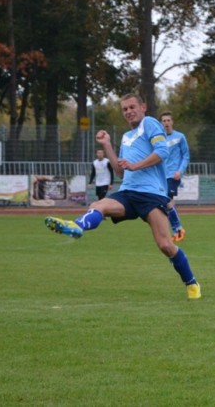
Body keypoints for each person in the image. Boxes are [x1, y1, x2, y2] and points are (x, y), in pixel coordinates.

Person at [44, 94, 201, 300]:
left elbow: (162, 152)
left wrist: (136, 165)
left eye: (132, 107)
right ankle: (76, 227)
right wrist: (108, 145)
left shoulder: (150, 123)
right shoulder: (127, 137)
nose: (128, 111)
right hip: (128, 193)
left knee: (165, 245)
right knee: (98, 204)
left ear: (143, 107)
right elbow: (120, 172)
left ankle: (191, 283)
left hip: (152, 194)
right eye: (124, 109)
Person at [159, 111, 190, 242]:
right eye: (163, 121)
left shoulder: (180, 137)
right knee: (166, 204)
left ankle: (178, 229)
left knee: (167, 200)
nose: (166, 123)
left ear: (172, 122)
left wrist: (180, 170)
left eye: (168, 120)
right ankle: (176, 230)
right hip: (160, 176)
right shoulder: (158, 139)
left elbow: (186, 156)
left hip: (173, 175)